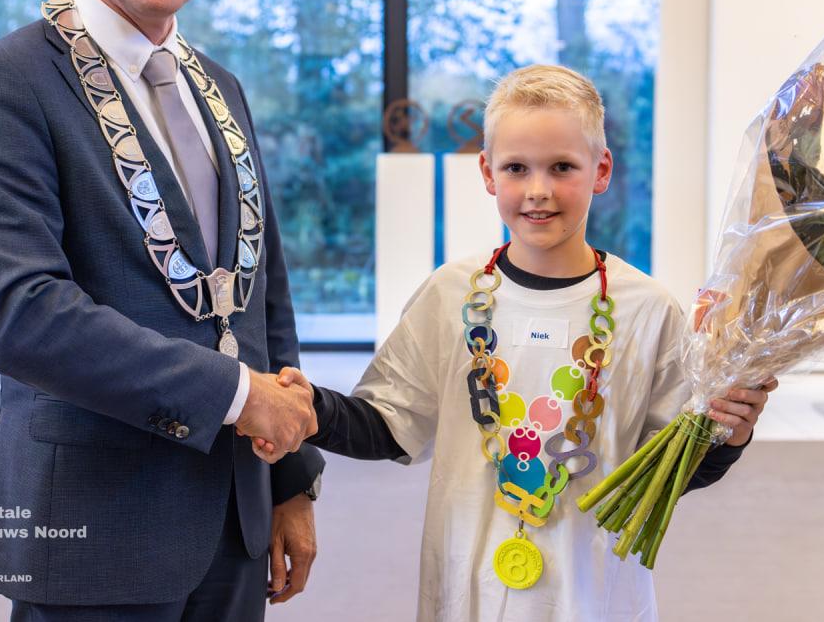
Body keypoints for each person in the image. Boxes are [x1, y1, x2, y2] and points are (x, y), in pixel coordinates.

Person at [0, 0, 324, 621]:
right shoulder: (3, 83)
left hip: (235, 520)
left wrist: (292, 481)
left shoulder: (220, 86)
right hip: (93, 524)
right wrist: (235, 395)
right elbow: (19, 315)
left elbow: (261, 299)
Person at [269, 64, 777, 621]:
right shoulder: (450, 296)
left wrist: (728, 433)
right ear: (488, 173)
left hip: (591, 594)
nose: (539, 190)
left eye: (562, 167)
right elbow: (390, 423)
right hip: (468, 591)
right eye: (517, 168)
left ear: (600, 170)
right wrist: (309, 407)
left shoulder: (649, 309)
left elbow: (668, 470)